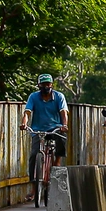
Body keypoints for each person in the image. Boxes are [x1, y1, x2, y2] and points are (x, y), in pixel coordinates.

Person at [20, 73, 69, 201]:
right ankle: (34, 187)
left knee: (61, 136)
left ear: (52, 85)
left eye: (48, 84)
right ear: (39, 85)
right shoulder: (34, 97)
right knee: (33, 155)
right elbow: (27, 112)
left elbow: (63, 112)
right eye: (43, 84)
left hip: (54, 127)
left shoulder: (59, 97)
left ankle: (57, 161)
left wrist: (64, 125)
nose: (46, 87)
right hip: (38, 129)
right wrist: (24, 123)